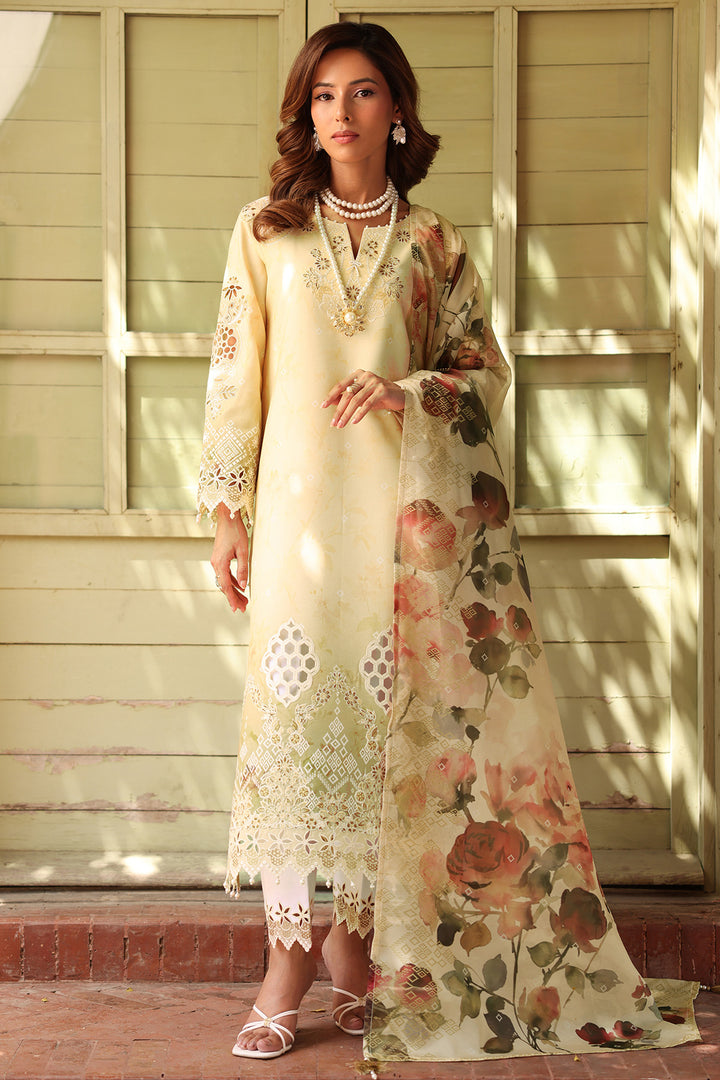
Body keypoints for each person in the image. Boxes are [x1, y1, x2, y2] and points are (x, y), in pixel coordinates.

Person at [197, 20, 699, 1065]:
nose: (341, 112)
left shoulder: (434, 243)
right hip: (296, 533)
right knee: (294, 745)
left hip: (402, 539)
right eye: (324, 94)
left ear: (397, 110)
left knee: (387, 749)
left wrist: (409, 390)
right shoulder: (267, 231)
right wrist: (225, 513)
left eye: (362, 91)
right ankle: (285, 964)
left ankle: (352, 951)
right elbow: (234, 376)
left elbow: (482, 374)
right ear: (306, 114)